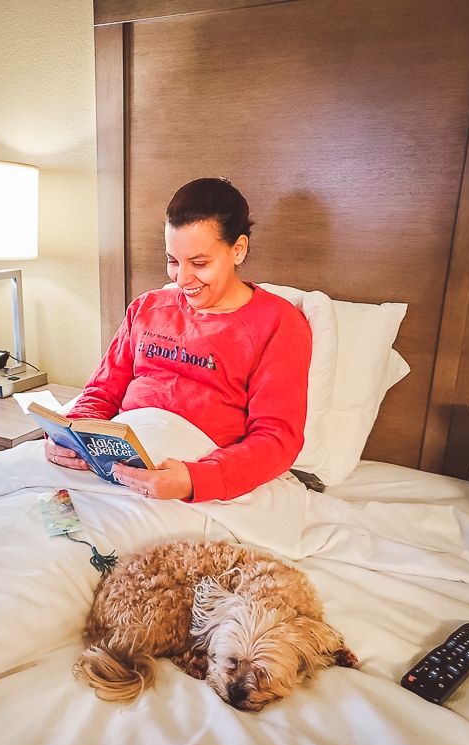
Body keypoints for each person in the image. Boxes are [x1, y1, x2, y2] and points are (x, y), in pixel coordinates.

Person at [45, 177, 312, 503]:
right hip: (111, 465)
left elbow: (277, 438)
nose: (182, 279)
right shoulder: (146, 308)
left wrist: (195, 480)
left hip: (193, 476)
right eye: (173, 260)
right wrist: (67, 440)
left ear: (237, 249)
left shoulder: (278, 324)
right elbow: (101, 393)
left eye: (199, 263)